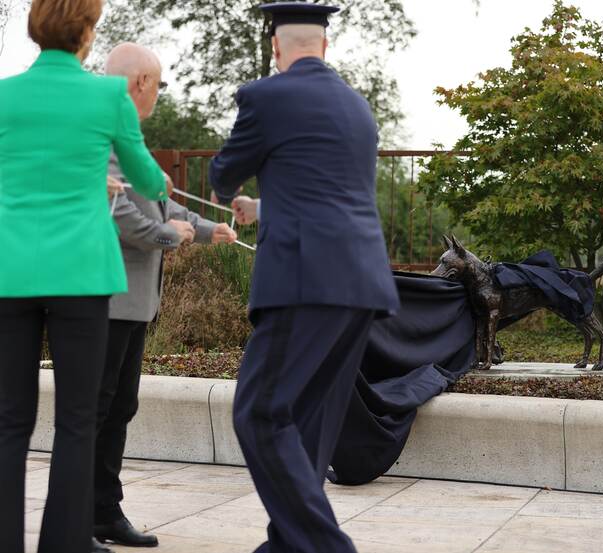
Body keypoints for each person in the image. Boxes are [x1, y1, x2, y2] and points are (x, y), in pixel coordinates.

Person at [208, 3, 400, 552]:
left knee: (259, 412)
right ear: (325, 46)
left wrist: (230, 193)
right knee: (310, 421)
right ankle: (288, 545)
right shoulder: (357, 107)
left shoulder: (266, 95)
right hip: (361, 283)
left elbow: (223, 173)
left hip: (303, 282)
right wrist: (264, 207)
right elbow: (326, 197)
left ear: (275, 47)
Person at [0, 1, 169, 552]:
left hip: (11, 271)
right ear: (88, 34)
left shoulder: (4, 95)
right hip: (81, 273)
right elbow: (147, 177)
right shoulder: (107, 96)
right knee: (77, 421)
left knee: (9, 421)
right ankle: (64, 544)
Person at [91, 43, 238, 552]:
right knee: (97, 409)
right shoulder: (102, 134)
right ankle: (88, 512)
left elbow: (157, 203)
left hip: (131, 303)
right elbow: (119, 215)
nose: (158, 94)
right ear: (142, 83)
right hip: (104, 297)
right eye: (159, 84)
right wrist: (170, 236)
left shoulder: (125, 136)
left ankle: (103, 513)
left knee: (118, 407)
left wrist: (203, 229)